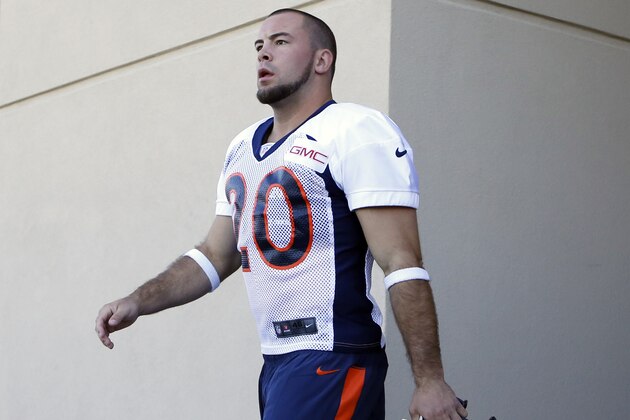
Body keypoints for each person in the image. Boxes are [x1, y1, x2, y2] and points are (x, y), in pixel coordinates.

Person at [95, 8, 468, 420]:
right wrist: (138, 301)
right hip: (276, 361)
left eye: (280, 42)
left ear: (322, 61)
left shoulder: (355, 130)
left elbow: (402, 262)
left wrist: (430, 380)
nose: (263, 54)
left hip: (333, 353)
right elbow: (215, 256)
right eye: (258, 45)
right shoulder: (241, 146)